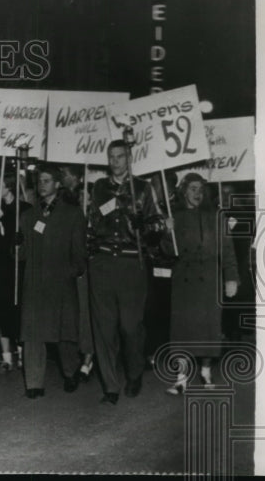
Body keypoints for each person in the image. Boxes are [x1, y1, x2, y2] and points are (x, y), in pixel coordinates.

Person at [87, 140, 165, 404]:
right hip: (103, 262)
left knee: (130, 326)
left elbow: (158, 226)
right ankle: (110, 386)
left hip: (132, 263)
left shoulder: (143, 188)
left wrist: (146, 225)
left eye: (120, 156)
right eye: (111, 157)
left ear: (129, 158)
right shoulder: (99, 187)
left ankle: (134, 373)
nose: (115, 161)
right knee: (104, 327)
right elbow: (92, 220)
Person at [164, 173, 240, 393]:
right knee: (183, 330)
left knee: (208, 329)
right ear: (184, 191)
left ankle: (206, 371)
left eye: (200, 189)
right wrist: (167, 233)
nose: (197, 194)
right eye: (192, 189)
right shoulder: (174, 216)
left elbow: (227, 250)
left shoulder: (216, 216)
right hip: (184, 281)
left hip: (209, 278)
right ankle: (181, 377)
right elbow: (167, 252)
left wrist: (231, 278)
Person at [19, 164, 88, 398]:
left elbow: (80, 255)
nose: (41, 185)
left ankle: (70, 372)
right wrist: (15, 244)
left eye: (47, 181)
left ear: (58, 184)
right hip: (35, 283)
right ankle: (34, 383)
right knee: (33, 333)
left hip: (60, 282)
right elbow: (21, 254)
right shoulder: (28, 216)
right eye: (39, 181)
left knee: (64, 333)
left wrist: (70, 272)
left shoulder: (73, 214)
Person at [58, 163, 95, 381]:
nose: (62, 177)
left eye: (65, 174)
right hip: (71, 265)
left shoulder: (94, 207)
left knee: (89, 313)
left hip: (90, 267)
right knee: (76, 314)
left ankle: (89, 358)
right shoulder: (64, 203)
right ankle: (75, 357)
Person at [0, 170, 30, 373]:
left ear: (9, 187)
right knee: (2, 310)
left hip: (19, 266)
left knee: (20, 310)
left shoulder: (25, 209)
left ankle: (23, 354)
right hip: (1, 266)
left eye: (0, 185)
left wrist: (21, 239)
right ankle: (6, 357)